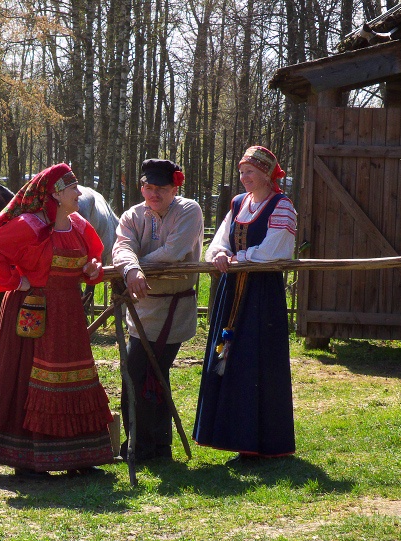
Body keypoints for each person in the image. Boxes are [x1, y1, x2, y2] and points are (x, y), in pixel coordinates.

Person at [0, 163, 114, 477]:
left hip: (69, 315)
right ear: (55, 193)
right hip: (33, 312)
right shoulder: (30, 225)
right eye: (72, 189)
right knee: (28, 376)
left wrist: (92, 270)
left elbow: (93, 258)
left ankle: (78, 455)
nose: (78, 194)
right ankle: (27, 458)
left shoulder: (77, 224)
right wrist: (16, 281)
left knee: (75, 376)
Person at [193, 145, 298, 462]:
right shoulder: (238, 204)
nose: (244, 178)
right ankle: (229, 434)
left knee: (256, 359)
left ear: (266, 174)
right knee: (228, 356)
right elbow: (219, 243)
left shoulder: (282, 206)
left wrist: (240, 258)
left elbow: (274, 251)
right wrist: (221, 254)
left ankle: (262, 441)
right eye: (241, 172)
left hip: (262, 294)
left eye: (250, 171)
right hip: (232, 291)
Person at [112, 159, 203, 462]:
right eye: (148, 188)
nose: (153, 194)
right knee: (145, 374)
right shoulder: (132, 215)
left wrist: (138, 267)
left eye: (161, 189)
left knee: (144, 372)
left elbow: (175, 252)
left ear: (174, 188)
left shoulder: (189, 210)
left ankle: (145, 445)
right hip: (142, 310)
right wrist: (131, 266)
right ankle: (152, 447)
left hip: (174, 308)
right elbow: (122, 246)